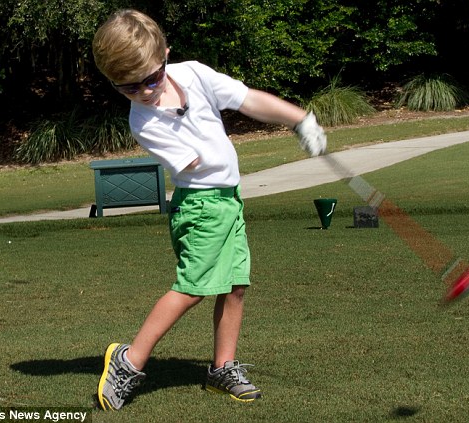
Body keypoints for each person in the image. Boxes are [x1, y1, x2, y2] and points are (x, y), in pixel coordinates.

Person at [92, 9, 326, 411]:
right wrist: (197, 111)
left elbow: (249, 99)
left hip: (229, 200)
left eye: (151, 78)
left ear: (166, 53)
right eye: (129, 87)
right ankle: (128, 360)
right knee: (192, 288)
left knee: (235, 285)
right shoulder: (143, 122)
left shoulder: (196, 74)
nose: (145, 92)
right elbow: (201, 161)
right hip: (200, 205)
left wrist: (299, 120)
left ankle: (222, 368)